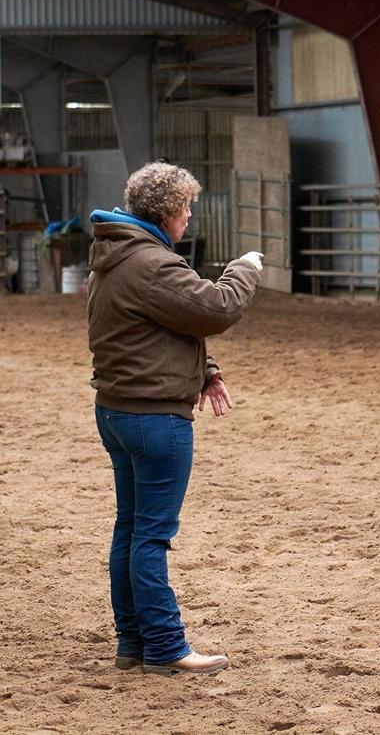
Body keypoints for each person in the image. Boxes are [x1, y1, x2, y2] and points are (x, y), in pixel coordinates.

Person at [87, 161, 263, 675]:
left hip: (119, 409)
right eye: (186, 208)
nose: (189, 217)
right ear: (168, 212)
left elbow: (149, 330)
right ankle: (166, 647)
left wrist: (203, 369)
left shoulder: (113, 257)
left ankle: (133, 643)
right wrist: (244, 269)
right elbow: (214, 309)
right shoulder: (152, 264)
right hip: (155, 419)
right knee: (152, 536)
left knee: (131, 528)